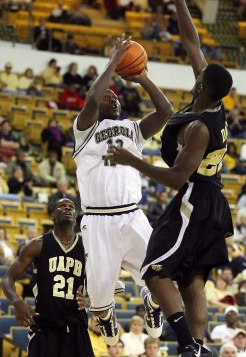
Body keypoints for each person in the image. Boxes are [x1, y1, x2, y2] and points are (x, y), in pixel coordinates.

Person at [111, 0, 234, 357]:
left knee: (155, 270)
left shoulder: (199, 127)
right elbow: (190, 41)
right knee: (193, 276)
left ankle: (186, 345)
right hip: (213, 199)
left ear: (201, 86)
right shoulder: (209, 98)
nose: (196, 74)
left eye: (199, 76)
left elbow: (178, 176)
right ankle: (199, 346)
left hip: (194, 197)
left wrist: (133, 159)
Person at [72, 34, 173, 346]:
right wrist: (115, 60)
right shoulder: (84, 130)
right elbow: (92, 99)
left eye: (116, 97)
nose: (113, 98)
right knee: (101, 292)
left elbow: (166, 111)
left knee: (160, 273)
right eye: (108, 96)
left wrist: (141, 76)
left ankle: (152, 304)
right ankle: (106, 316)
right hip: (98, 221)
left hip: (131, 216)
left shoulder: (133, 129)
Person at [1, 198, 94, 357]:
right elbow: (7, 279)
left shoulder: (87, 247)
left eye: (71, 207)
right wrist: (17, 302)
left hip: (77, 328)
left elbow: (106, 280)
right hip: (46, 328)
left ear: (75, 216)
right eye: (62, 206)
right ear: (52, 216)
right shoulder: (37, 245)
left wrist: (90, 299)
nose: (67, 209)